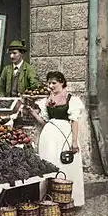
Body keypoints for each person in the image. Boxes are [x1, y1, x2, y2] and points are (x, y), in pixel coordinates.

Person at [26, 71, 85, 206]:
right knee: (49, 162)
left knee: (66, 164)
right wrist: (34, 114)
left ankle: (67, 199)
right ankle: (48, 199)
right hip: (49, 136)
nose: (51, 86)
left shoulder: (71, 99)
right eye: (49, 83)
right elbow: (45, 121)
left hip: (65, 135)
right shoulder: (47, 100)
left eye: (54, 83)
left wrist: (74, 142)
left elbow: (74, 121)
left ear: (62, 83)